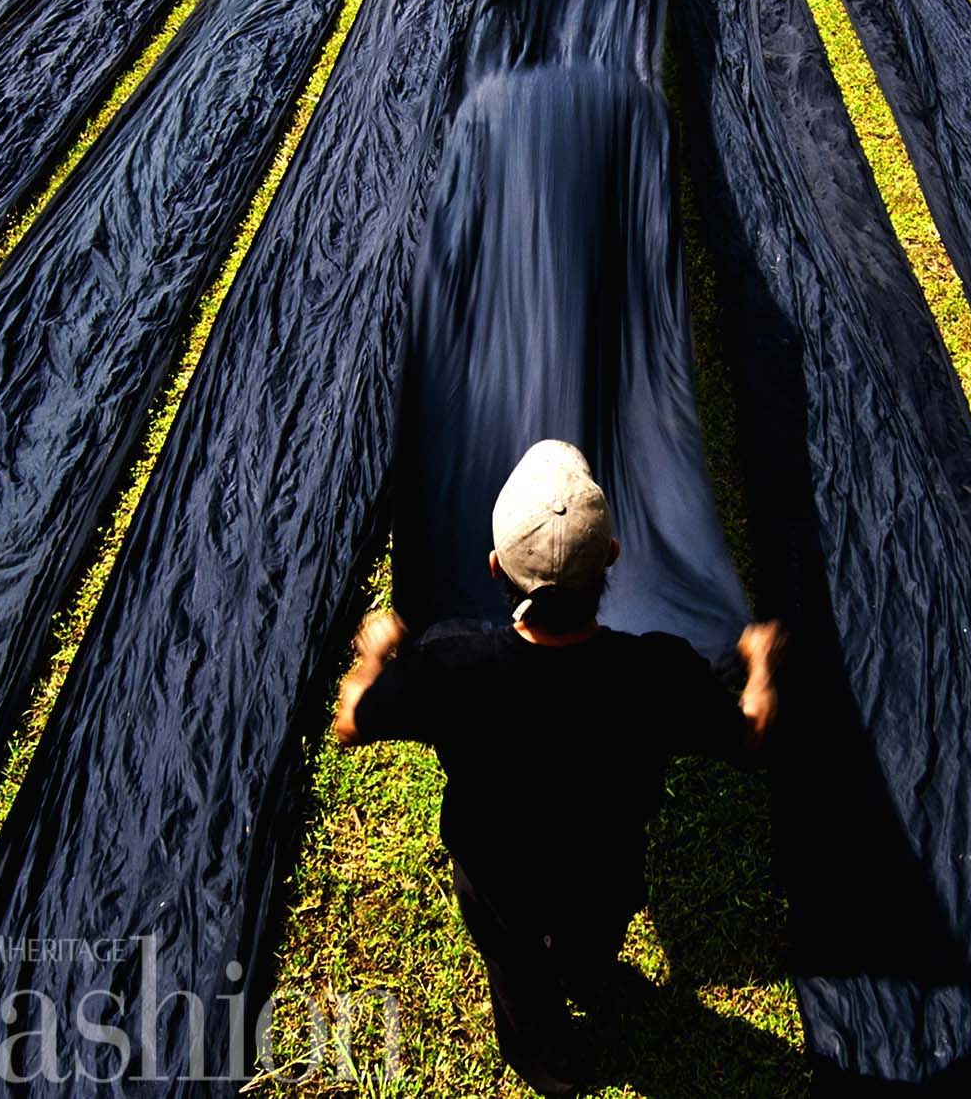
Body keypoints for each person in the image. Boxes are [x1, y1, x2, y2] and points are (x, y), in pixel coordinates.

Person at [333, 439, 784, 1097]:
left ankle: (550, 1063)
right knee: (590, 939)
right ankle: (585, 968)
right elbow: (749, 740)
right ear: (612, 557)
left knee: (516, 972)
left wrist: (375, 654)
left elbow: (350, 721)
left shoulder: (448, 669)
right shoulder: (656, 670)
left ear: (494, 567)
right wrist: (760, 660)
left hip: (496, 878)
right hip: (602, 871)